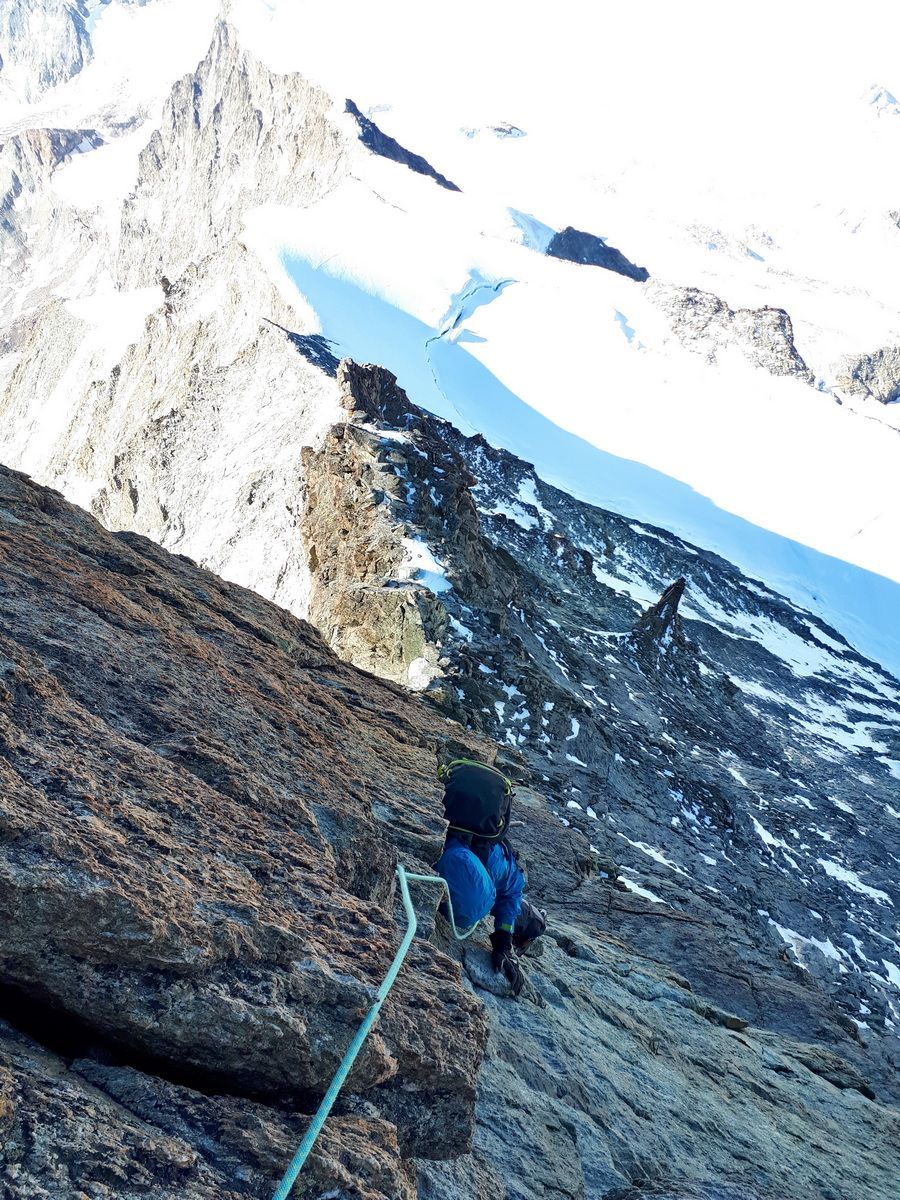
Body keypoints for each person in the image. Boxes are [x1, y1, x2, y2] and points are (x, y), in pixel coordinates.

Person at [433, 756, 546, 996]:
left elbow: (512, 888)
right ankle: (524, 923)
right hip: (480, 879)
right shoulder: (496, 861)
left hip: (482, 874)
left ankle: (523, 923)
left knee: (492, 897)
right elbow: (511, 887)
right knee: (480, 902)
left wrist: (504, 938)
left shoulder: (496, 860)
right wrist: (504, 940)